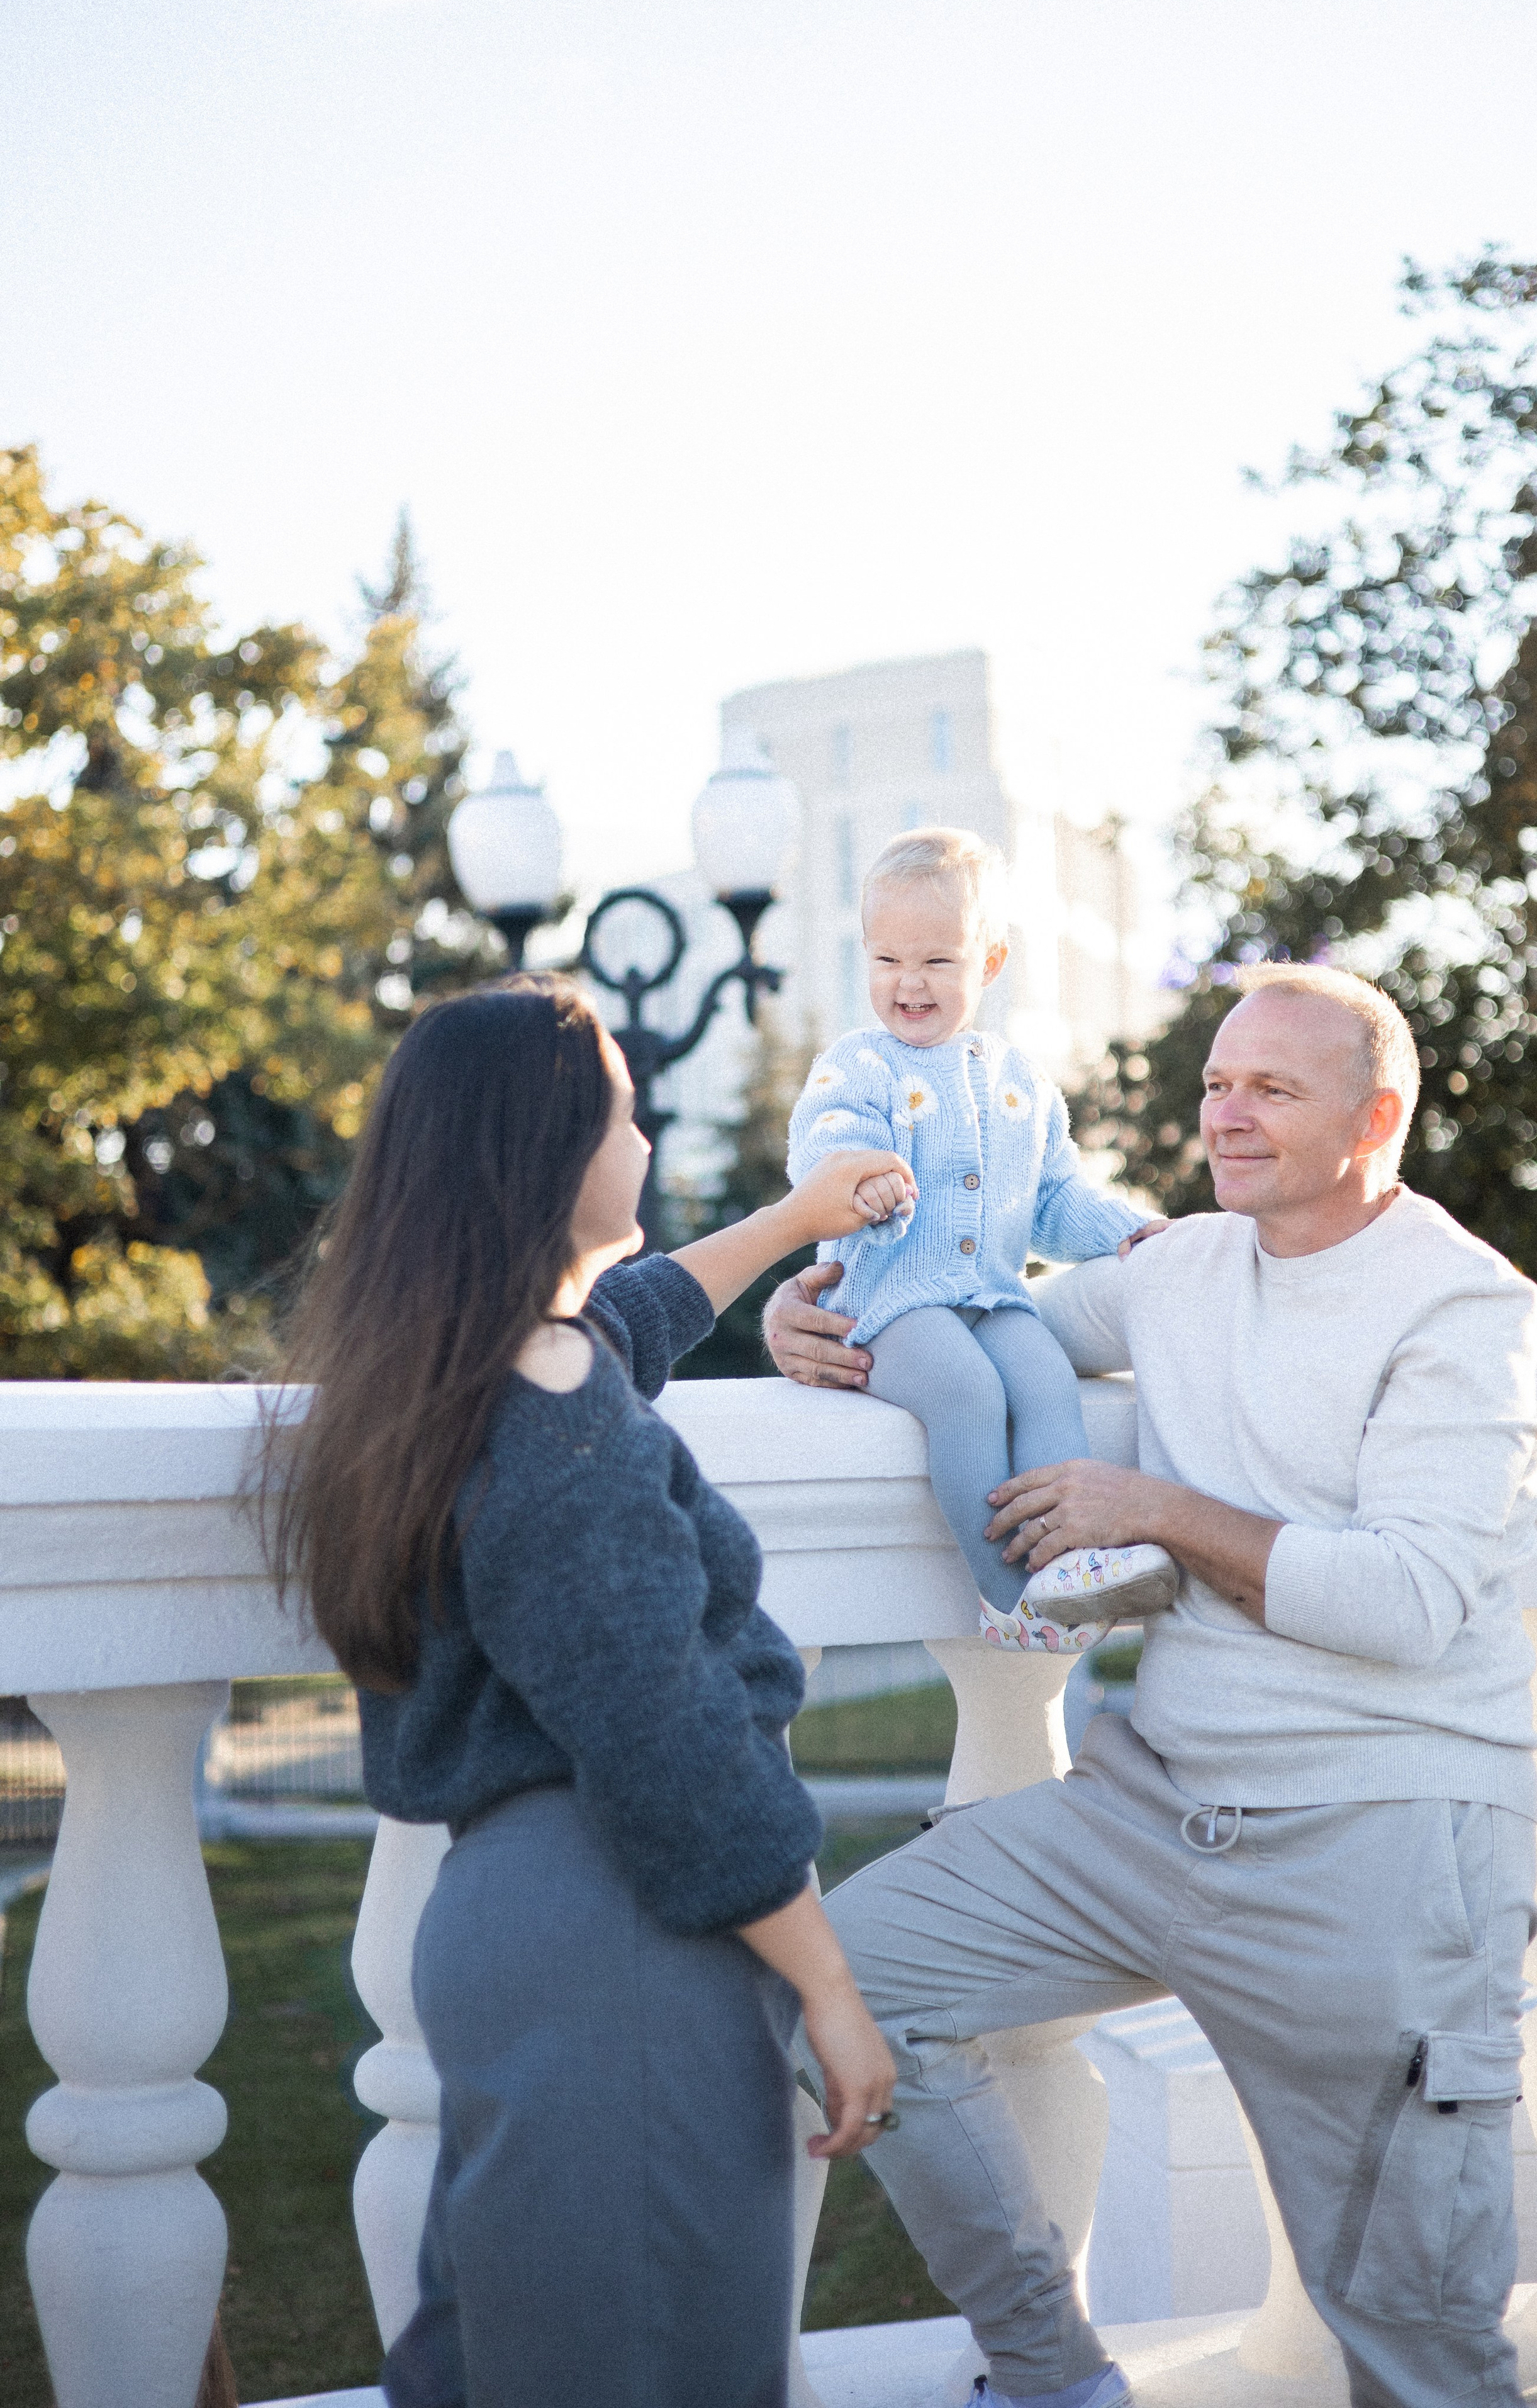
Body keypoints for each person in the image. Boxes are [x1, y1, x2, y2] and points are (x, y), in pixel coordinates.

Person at [764, 962, 1537, 2408]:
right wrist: (814, 1329)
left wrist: (1157, 1510)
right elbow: (983, 1321)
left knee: (1418, 2348)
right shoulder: (1178, 1267)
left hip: (1377, 1850)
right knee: (845, 1979)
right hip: (1151, 1812)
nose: (1226, 1115)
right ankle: (1048, 2370)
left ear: (1375, 1116)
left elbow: (1407, 1599)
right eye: (1214, 1084)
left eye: (1271, 1088)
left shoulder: (1464, 1309)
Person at [260, 972, 901, 2408]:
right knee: (656, 2360)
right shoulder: (549, 1410)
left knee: (503, 2360)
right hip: (622, 1935)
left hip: (521, 1930)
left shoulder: (467, 1372)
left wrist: (800, 1222)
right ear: (548, 1151)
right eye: (619, 1106)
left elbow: (642, 1315)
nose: (645, 1128)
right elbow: (672, 1748)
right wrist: (831, 1992)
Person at [786, 827, 1175, 1652]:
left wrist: (1130, 1231)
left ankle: (1066, 1563)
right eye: (886, 960)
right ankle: (1008, 1599)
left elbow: (1056, 1200)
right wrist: (860, 1174)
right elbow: (818, 1150)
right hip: (886, 1305)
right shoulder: (861, 1066)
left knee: (1040, 1376)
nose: (908, 983)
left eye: (936, 961)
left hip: (992, 1293)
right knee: (968, 1393)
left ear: (989, 964)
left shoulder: (1019, 1080)